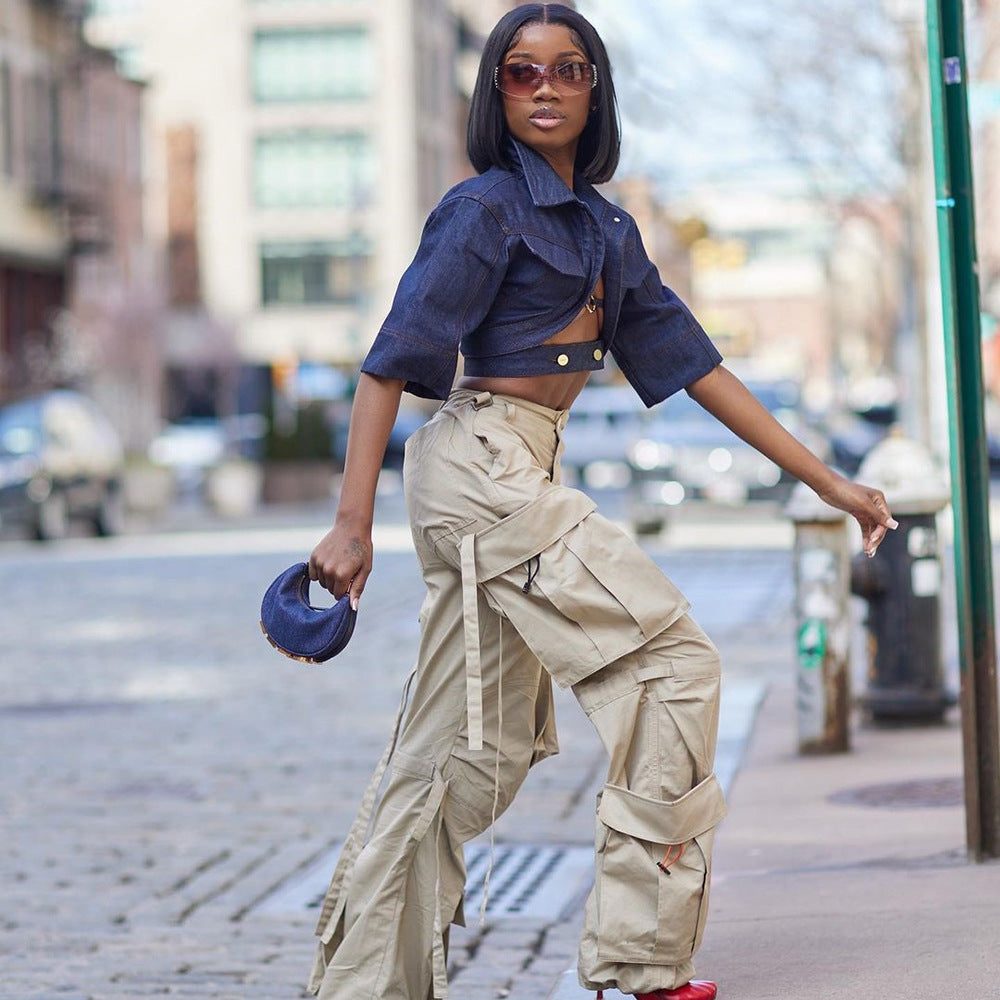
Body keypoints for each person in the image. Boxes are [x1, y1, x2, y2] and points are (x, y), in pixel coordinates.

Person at [304, 5, 897, 999]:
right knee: (671, 663)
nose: (544, 88)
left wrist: (827, 480)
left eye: (566, 70)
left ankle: (364, 984)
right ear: (496, 91)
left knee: (464, 754)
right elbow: (389, 365)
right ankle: (644, 959)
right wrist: (351, 522)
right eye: (521, 73)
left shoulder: (606, 230)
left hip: (520, 472)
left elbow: (697, 365)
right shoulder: (482, 210)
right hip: (480, 466)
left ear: (593, 88)